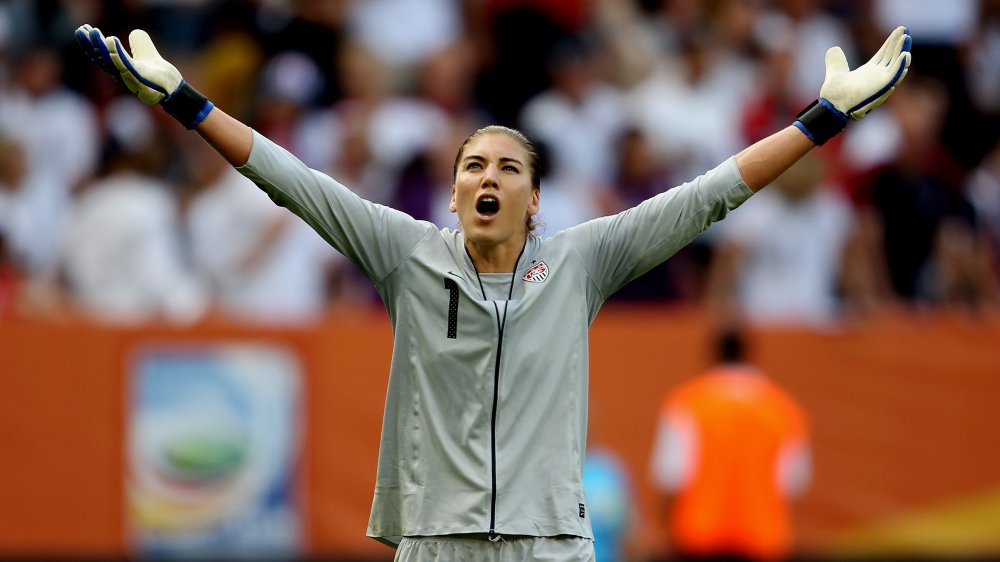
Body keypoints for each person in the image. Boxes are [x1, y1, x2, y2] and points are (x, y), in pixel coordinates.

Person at [73, 22, 910, 561]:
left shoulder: (582, 260)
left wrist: (822, 121)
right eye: (474, 163)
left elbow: (710, 194)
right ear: (452, 190)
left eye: (509, 167)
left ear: (535, 199)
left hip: (551, 544)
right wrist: (186, 103)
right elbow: (293, 181)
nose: (490, 175)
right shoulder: (407, 254)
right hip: (437, 542)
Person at [649, 329, 811, 561]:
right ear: (750, 354)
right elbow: (792, 486)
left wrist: (666, 535)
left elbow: (671, 478)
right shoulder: (782, 410)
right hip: (762, 540)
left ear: (712, 354)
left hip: (698, 539)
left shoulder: (688, 404)